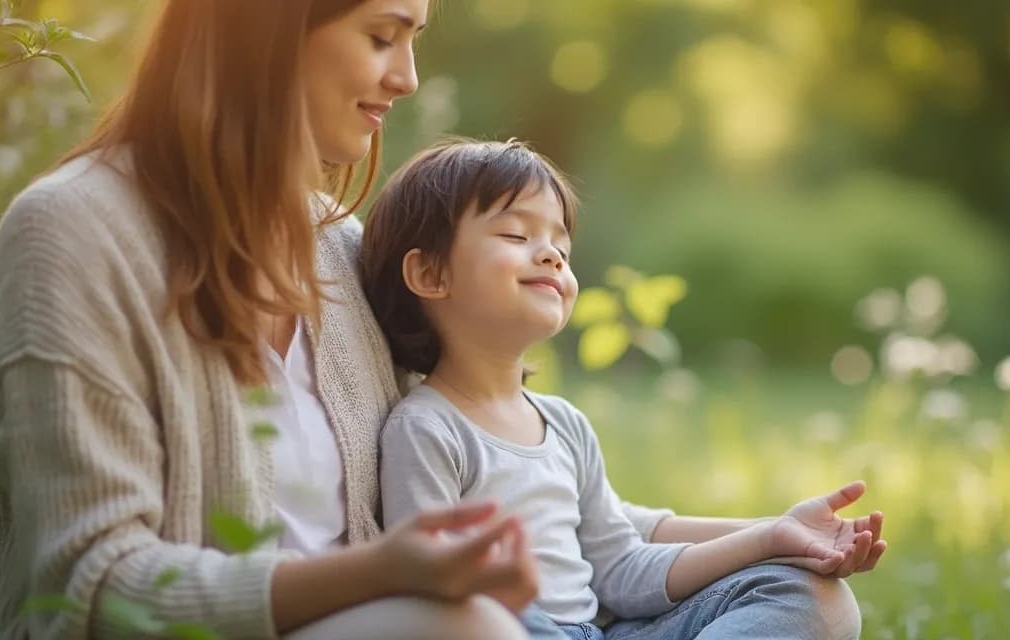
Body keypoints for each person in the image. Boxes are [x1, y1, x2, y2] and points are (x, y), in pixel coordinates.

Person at [0, 1, 881, 638]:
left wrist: (765, 531)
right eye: (382, 34)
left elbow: (547, 504)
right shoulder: (73, 238)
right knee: (467, 625)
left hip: (438, 618)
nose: (406, 77)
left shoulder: (333, 250)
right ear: (266, 32)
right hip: (396, 624)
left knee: (808, 601)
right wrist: (385, 576)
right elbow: (87, 588)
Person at [362, 139, 874, 639]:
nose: (552, 257)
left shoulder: (564, 426)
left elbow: (623, 571)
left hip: (605, 630)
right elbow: (428, 596)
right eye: (517, 236)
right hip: (511, 627)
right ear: (430, 273)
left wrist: (766, 540)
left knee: (812, 596)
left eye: (560, 245)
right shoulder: (426, 428)